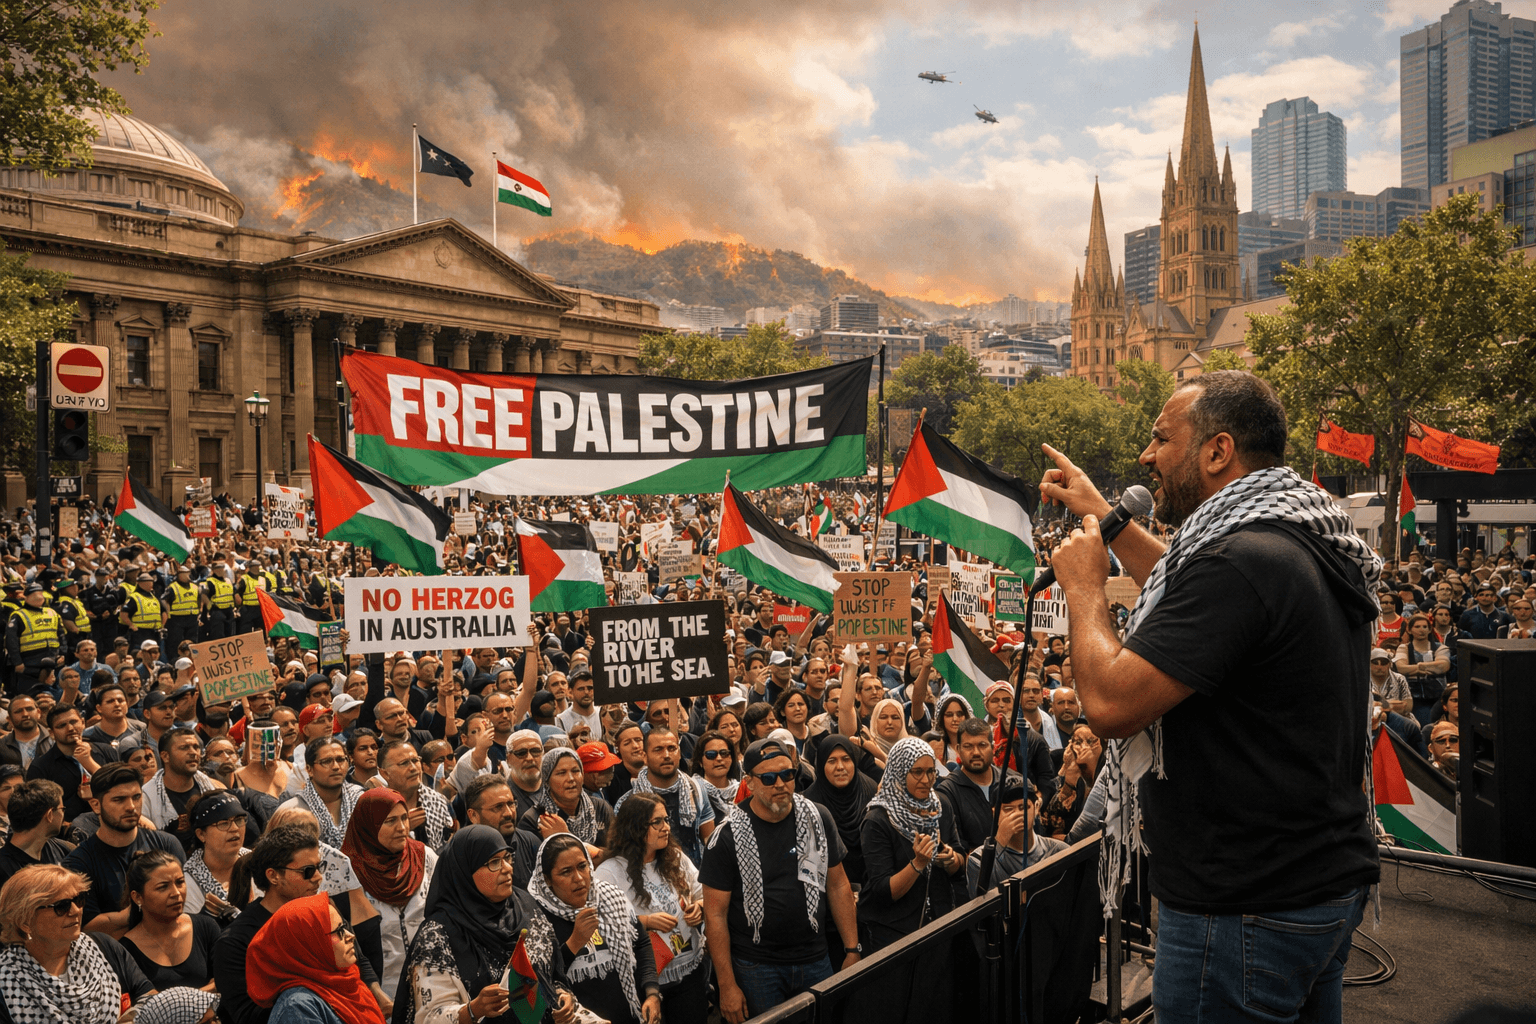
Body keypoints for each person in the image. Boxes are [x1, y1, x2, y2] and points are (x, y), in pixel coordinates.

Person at [1041, 371, 1379, 1024]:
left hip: (1245, 910)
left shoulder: (1238, 563)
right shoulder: (1290, 539)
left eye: (1160, 438)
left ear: (1218, 452)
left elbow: (1111, 706)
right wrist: (1104, 520)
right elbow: (1191, 592)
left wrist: (1084, 587)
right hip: (1319, 888)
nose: (1146, 457)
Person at [699, 738, 860, 1022]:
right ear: (749, 782)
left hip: (815, 958)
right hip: (757, 967)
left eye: (788, 774)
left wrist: (851, 949)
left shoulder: (817, 817)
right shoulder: (726, 837)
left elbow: (838, 885)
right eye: (769, 777)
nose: (780, 784)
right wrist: (727, 986)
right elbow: (714, 914)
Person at [391, 824, 578, 1024]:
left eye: (507, 857)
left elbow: (550, 974)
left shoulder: (524, 906)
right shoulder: (438, 934)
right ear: (466, 872)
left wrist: (561, 996)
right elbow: (428, 1017)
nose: (507, 868)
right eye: (494, 862)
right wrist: (473, 1010)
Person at [595, 793, 711, 1024]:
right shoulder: (609, 872)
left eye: (666, 820)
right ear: (634, 827)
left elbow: (705, 894)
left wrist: (698, 907)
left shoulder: (675, 857)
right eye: (656, 822)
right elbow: (599, 928)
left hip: (689, 972)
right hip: (645, 980)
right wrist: (645, 923)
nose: (665, 827)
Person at [531, 833, 662, 1024]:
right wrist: (574, 943)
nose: (578, 878)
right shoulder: (537, 917)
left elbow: (641, 943)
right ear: (547, 879)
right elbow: (540, 980)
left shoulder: (611, 898)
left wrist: (652, 992)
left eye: (582, 866)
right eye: (566, 872)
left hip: (631, 1016)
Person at [0, 863, 155, 1022]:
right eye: (61, 906)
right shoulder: (7, 979)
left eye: (78, 900)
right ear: (24, 921)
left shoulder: (103, 945)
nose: (76, 911)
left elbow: (150, 998)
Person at [856, 737, 962, 952]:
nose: (926, 779)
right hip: (895, 936)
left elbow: (959, 862)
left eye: (931, 771)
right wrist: (918, 864)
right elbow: (883, 891)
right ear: (899, 772)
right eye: (917, 772)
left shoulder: (939, 806)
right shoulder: (878, 820)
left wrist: (951, 859)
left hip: (939, 925)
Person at [212, 823, 324, 1024]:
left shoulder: (324, 917)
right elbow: (246, 1015)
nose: (318, 878)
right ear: (273, 876)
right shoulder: (235, 943)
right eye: (307, 871)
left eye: (319, 867)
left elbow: (358, 967)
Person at [63, 762, 186, 937]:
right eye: (119, 799)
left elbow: (184, 907)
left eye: (136, 797)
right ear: (96, 805)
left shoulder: (167, 844)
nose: (131, 807)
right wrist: (153, 906)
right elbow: (88, 927)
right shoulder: (78, 864)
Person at [341, 788, 436, 1000]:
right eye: (390, 821)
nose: (402, 828)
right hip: (380, 993)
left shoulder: (423, 857)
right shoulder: (348, 872)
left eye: (404, 818)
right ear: (369, 826)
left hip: (432, 986)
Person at [246, 892, 387, 1024]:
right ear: (309, 944)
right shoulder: (298, 1007)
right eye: (338, 931)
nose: (351, 936)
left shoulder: (348, 981)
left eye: (345, 927)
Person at [118, 848, 223, 990]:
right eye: (163, 887)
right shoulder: (125, 952)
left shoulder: (206, 927)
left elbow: (225, 979)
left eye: (180, 882)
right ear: (137, 897)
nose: (176, 893)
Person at [616, 727, 714, 867]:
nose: (667, 755)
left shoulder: (697, 791)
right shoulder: (628, 803)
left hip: (695, 876)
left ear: (679, 753)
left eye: (672, 748)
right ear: (645, 757)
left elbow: (710, 841)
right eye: (658, 749)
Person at [965, 781, 1068, 897]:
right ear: (995, 813)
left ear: (1036, 808)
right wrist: (1000, 842)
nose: (1017, 814)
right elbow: (981, 905)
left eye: (1024, 807)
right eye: (1008, 809)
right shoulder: (978, 860)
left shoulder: (1059, 851)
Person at [935, 718, 1018, 859]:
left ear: (992, 747)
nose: (976, 752)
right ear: (958, 749)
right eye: (968, 746)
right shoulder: (947, 793)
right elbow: (960, 855)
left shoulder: (1015, 781)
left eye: (982, 745)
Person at [802, 735, 876, 889]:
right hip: (827, 889)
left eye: (846, 759)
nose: (840, 767)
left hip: (872, 890)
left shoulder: (871, 791)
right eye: (832, 761)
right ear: (821, 764)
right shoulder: (808, 804)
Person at [519, 748, 614, 849]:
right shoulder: (534, 819)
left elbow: (616, 856)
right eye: (561, 773)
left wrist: (565, 836)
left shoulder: (600, 808)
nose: (571, 778)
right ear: (547, 781)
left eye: (575, 771)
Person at [0, 780, 73, 887]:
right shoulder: (3, 869)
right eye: (62, 809)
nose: (63, 814)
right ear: (49, 815)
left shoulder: (64, 849)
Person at [1037, 725, 1104, 840]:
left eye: (1090, 741)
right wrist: (1068, 774)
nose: (1084, 747)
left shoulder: (1107, 776)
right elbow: (1049, 827)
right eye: (1077, 742)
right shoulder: (1064, 768)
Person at [1392, 614, 1450, 726]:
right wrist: (1431, 667)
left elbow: (1444, 665)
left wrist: (1417, 667)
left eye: (1424, 627)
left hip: (1438, 696)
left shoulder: (1440, 647)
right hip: (1415, 697)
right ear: (1409, 630)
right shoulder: (1404, 648)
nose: (1421, 630)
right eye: (1417, 627)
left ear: (1429, 630)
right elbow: (1401, 668)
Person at [688, 730, 741, 823]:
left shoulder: (742, 790)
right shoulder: (692, 791)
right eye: (711, 755)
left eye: (724, 753)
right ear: (700, 761)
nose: (719, 758)